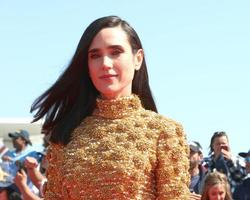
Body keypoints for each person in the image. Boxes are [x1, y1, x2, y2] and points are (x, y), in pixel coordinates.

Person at [30, 15, 190, 199]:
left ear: (138, 59)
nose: (105, 64)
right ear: (87, 67)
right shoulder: (66, 134)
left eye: (115, 52)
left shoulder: (165, 131)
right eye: (95, 55)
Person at [0, 129, 43, 199]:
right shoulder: (10, 153)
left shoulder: (32, 153)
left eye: (16, 138)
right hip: (7, 192)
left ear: (24, 140)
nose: (13, 140)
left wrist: (12, 160)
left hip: (23, 193)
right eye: (12, 138)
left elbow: (30, 166)